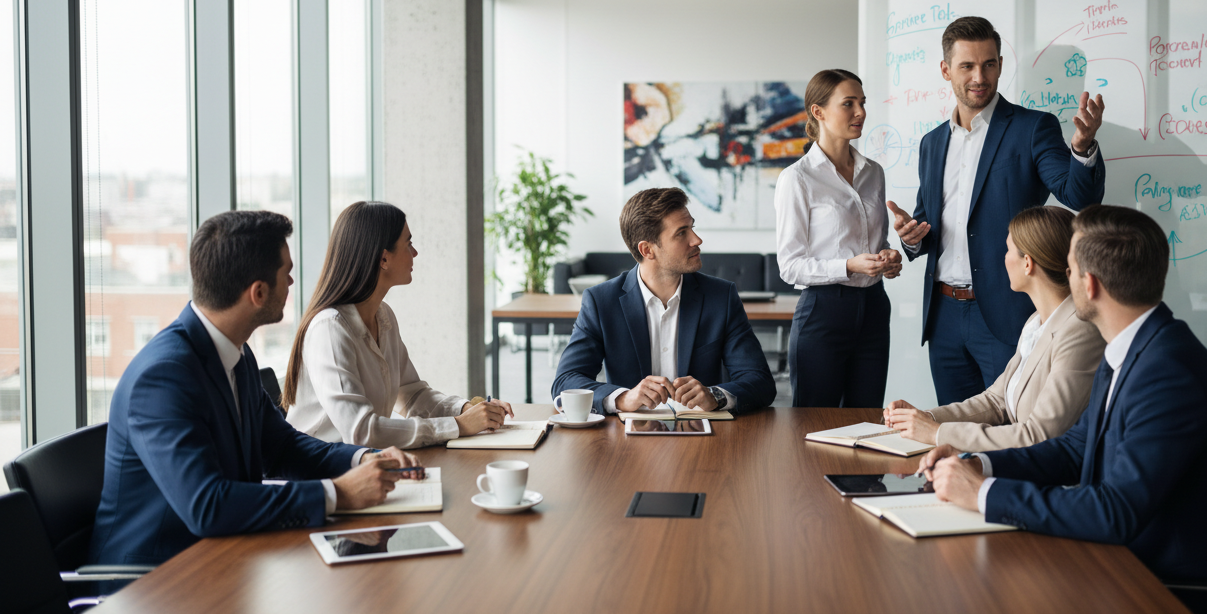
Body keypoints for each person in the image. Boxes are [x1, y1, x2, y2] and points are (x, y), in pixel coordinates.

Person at [918, 205, 1207, 582]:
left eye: (1070, 268)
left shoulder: (1168, 375)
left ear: (1089, 284)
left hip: (1171, 585)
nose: (1065, 275)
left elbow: (1116, 511)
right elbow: (1074, 449)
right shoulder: (1130, 348)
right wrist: (979, 464)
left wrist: (984, 494)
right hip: (1125, 559)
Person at [89, 211, 422, 570]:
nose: (293, 280)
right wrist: (339, 494)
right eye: (286, 273)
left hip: (229, 557)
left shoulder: (236, 353)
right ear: (258, 293)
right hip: (158, 581)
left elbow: (282, 447)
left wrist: (363, 459)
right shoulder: (162, 377)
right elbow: (208, 507)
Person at [888, 16, 1107, 406]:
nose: (980, 76)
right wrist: (911, 236)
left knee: (1011, 430)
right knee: (955, 433)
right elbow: (928, 222)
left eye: (989, 64)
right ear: (945, 70)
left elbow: (1079, 195)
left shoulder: (1032, 128)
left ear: (1001, 65)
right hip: (943, 318)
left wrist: (1083, 147)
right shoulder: (931, 143)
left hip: (1009, 315)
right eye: (967, 66)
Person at [283, 201, 514, 448]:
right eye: (409, 244)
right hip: (320, 475)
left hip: (365, 465)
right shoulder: (330, 330)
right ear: (384, 259)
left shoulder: (384, 316)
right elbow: (361, 431)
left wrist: (468, 409)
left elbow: (412, 394)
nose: (415, 253)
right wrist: (458, 425)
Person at [882, 206, 1104, 451]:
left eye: (1008, 250)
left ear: (1028, 263)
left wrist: (937, 433)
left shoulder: (1079, 331)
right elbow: (996, 400)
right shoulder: (1035, 322)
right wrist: (926, 418)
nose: (1004, 258)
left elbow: (1038, 436)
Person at [551, 187, 776, 414]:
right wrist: (622, 399)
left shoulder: (721, 297)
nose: (696, 240)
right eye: (681, 233)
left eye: (692, 228)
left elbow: (760, 381)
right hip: (626, 440)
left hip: (705, 438)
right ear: (647, 250)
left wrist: (715, 395)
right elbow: (565, 381)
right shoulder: (601, 302)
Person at [774, 69, 902, 407]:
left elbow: (876, 244)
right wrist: (849, 265)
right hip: (823, 312)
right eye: (848, 104)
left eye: (862, 103)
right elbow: (789, 267)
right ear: (819, 112)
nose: (860, 112)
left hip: (875, 307)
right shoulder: (797, 179)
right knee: (815, 426)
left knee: (867, 419)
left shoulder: (874, 172)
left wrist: (888, 259)